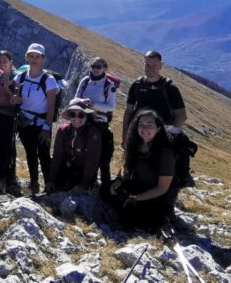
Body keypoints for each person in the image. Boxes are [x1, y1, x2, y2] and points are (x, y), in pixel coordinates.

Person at [110, 109, 176, 232]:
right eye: (141, 124)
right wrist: (119, 179)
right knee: (106, 189)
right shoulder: (135, 143)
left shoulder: (165, 152)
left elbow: (162, 188)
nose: (144, 128)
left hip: (154, 197)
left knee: (136, 218)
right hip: (136, 186)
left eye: (150, 125)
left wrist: (136, 198)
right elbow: (126, 166)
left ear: (158, 129)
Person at [11, 43, 59, 194]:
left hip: (41, 124)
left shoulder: (49, 80)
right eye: (31, 56)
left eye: (37, 56)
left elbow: (51, 107)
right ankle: (34, 184)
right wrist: (15, 99)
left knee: (44, 155)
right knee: (30, 153)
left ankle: (50, 185)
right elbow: (16, 95)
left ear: (43, 59)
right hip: (24, 122)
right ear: (26, 57)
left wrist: (47, 128)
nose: (34, 59)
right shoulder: (21, 76)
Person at [122, 50, 186, 145]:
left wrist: (171, 136)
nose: (150, 68)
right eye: (147, 64)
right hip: (139, 133)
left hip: (162, 136)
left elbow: (181, 115)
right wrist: (125, 134)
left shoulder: (170, 87)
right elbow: (129, 111)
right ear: (143, 64)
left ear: (161, 65)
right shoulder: (137, 85)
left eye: (154, 65)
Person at [75, 56, 116, 189]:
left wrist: (93, 105)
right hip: (83, 119)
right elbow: (76, 98)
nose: (96, 69)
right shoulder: (85, 81)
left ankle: (105, 183)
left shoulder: (109, 85)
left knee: (104, 151)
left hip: (100, 121)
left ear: (104, 68)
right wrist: (83, 102)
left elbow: (111, 107)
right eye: (93, 66)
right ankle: (82, 178)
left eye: (99, 67)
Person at [46, 99, 102, 195]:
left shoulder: (93, 133)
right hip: (66, 170)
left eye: (81, 115)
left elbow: (92, 162)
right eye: (72, 114)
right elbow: (57, 156)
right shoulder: (62, 130)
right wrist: (51, 180)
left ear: (86, 116)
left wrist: (83, 186)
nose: (76, 118)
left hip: (83, 173)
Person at [0, 50, 21, 196]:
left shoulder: (16, 76)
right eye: (0, 61)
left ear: (11, 61)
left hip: (10, 115)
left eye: (5, 61)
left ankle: (7, 175)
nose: (2, 63)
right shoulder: (1, 75)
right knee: (0, 144)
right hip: (0, 114)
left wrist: (8, 86)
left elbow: (15, 98)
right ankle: (1, 172)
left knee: (7, 146)